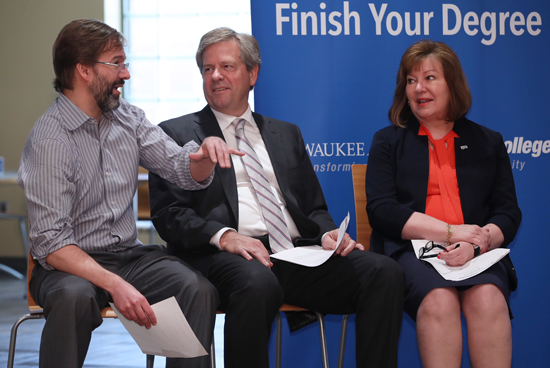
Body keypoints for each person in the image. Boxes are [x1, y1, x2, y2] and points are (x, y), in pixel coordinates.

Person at [148, 27, 405, 368]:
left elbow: (313, 207)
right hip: (221, 256)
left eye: (227, 67)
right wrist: (225, 236)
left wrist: (328, 234)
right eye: (207, 69)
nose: (216, 77)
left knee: (383, 272)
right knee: (257, 282)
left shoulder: (285, 133)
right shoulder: (176, 133)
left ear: (252, 74)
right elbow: (169, 214)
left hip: (291, 254)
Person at [17, 19, 242, 368]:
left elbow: (180, 167)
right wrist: (116, 285)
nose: (126, 74)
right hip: (67, 265)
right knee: (73, 298)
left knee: (196, 289)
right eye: (117, 63)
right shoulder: (50, 139)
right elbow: (53, 245)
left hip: (128, 256)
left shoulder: (128, 118)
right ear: (84, 71)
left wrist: (204, 156)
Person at [366, 39, 522, 368]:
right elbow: (381, 210)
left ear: (452, 83)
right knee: (440, 300)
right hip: (411, 252)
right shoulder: (388, 141)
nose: (419, 88)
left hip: (475, 253)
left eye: (430, 78)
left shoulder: (487, 141)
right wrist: (452, 233)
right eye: (411, 80)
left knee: (489, 298)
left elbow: (508, 212)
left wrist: (477, 245)